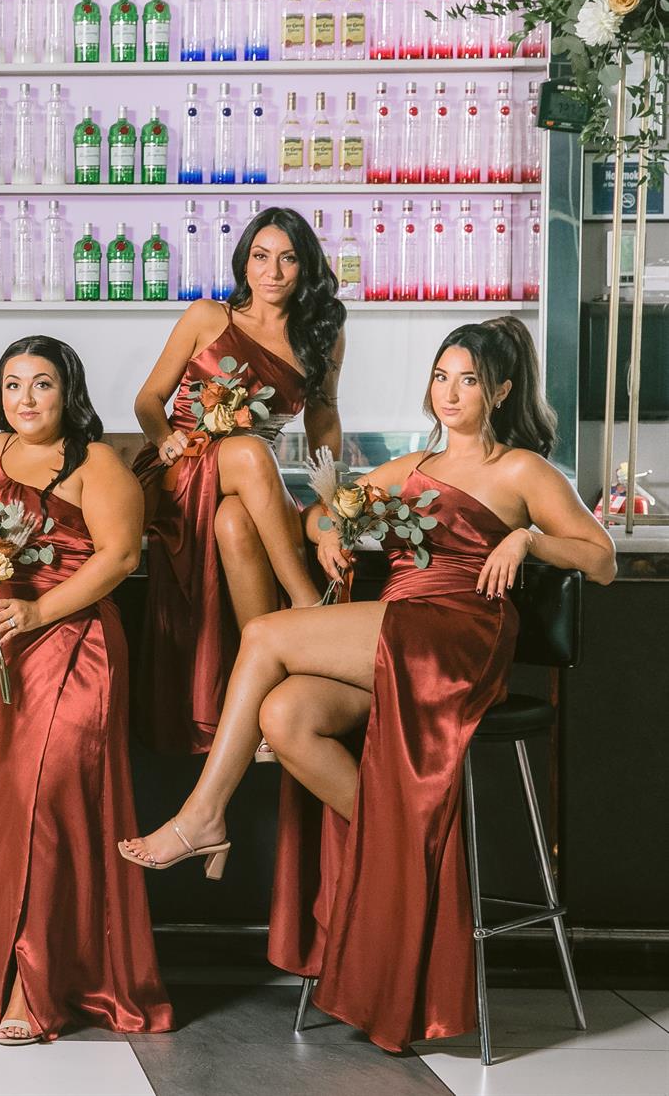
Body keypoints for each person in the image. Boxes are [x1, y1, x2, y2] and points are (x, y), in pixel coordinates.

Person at [122, 318, 615, 1052]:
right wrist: (328, 530)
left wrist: (528, 539)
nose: (450, 392)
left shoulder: (523, 471)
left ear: (502, 391)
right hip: (398, 628)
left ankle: (203, 815)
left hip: (457, 633)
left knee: (266, 636)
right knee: (286, 714)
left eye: (469, 380)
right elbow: (322, 510)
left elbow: (601, 559)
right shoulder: (412, 466)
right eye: (441, 376)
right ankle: (396, 847)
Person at [0, 338, 172, 1044]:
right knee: (6, 807)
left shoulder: (97, 462)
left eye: (41, 383)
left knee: (48, 803)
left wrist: (41, 610)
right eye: (12, 384)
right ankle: (8, 966)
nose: (25, 398)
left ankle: (33, 984)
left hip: (76, 644)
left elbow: (122, 555)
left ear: (68, 391)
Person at [129, 206, 345, 754]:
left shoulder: (322, 334)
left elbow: (323, 418)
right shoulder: (208, 316)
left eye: (288, 259)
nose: (273, 271)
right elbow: (148, 400)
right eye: (261, 257)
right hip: (181, 464)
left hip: (248, 482)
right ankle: (306, 607)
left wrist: (330, 497)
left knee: (233, 522)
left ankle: (262, 698)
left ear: (305, 266)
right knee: (249, 451)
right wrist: (163, 438)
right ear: (244, 262)